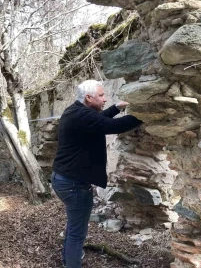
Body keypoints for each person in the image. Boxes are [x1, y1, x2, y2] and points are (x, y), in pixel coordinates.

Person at [52, 80, 143, 268]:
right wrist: (144, 115)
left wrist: (115, 108)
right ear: (88, 97)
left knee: (73, 228)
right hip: (74, 185)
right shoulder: (83, 116)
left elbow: (100, 121)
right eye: (101, 95)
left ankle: (68, 261)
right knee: (77, 234)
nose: (105, 98)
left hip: (63, 179)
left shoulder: (76, 110)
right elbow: (113, 126)